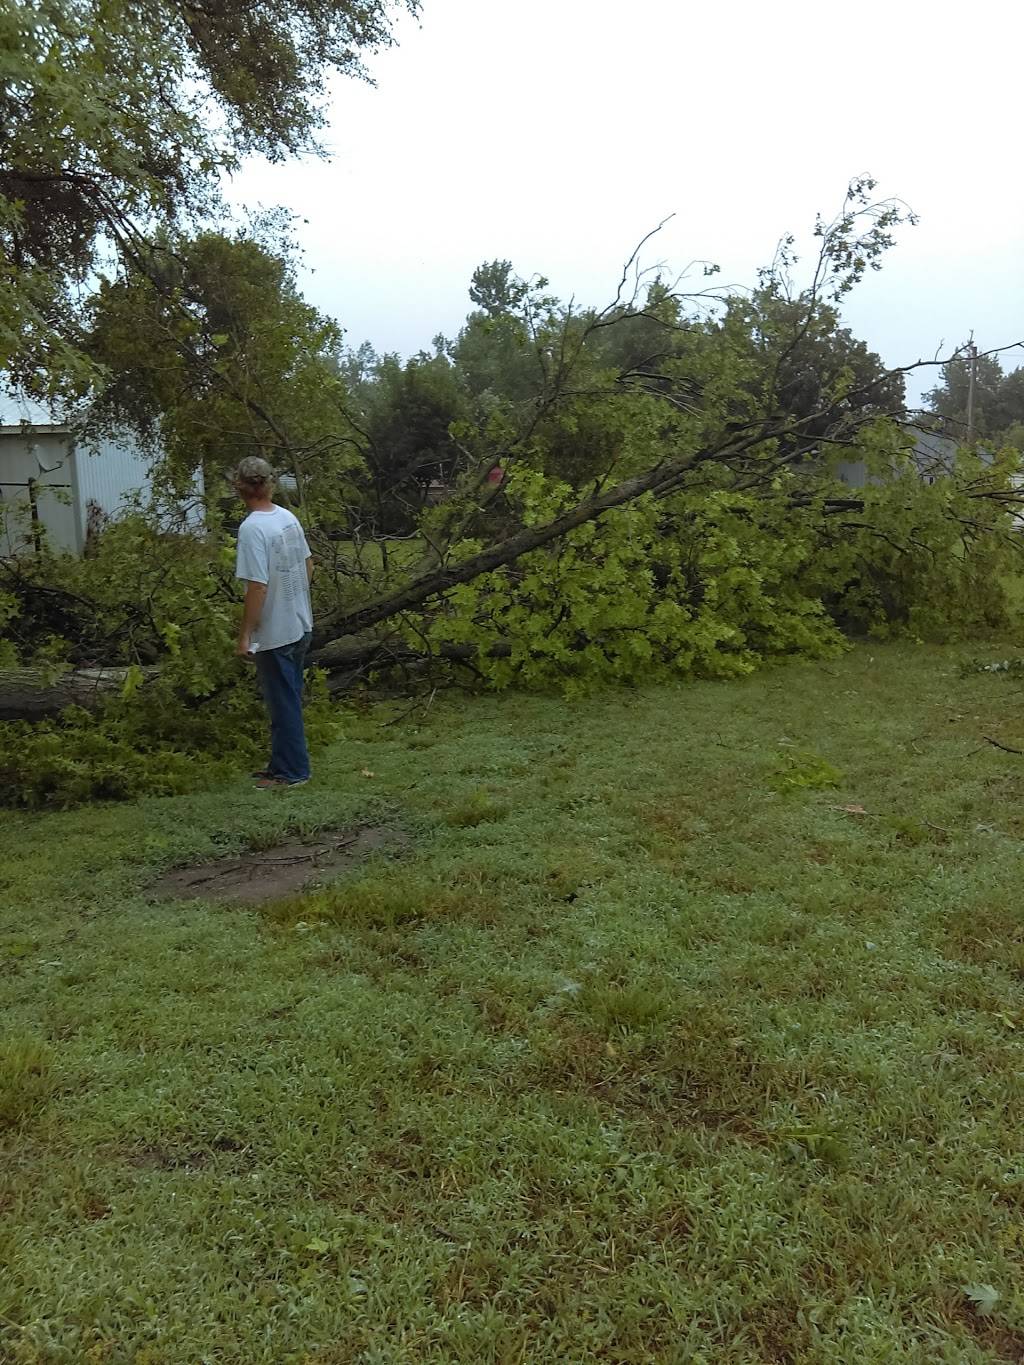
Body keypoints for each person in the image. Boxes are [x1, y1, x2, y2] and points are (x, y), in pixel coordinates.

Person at [233, 456, 314, 788]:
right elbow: (308, 565)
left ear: (240, 486)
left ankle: (293, 772)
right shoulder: (286, 518)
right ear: (270, 484)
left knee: (283, 703)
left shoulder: (252, 528)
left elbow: (257, 586)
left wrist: (245, 635)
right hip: (300, 623)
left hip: (276, 632)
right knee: (287, 697)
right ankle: (281, 764)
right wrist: (295, 600)